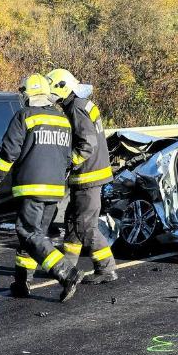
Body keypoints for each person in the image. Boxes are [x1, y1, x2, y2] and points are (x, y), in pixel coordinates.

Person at [0, 74, 83, 302]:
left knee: (28, 232)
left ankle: (66, 272)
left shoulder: (24, 116)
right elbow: (68, 156)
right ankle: (22, 283)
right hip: (55, 188)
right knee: (34, 237)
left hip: (32, 187)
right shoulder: (62, 120)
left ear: (27, 94)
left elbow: (9, 151)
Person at [46, 68, 118, 285]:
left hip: (88, 176)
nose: (51, 97)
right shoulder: (80, 104)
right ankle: (68, 267)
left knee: (86, 226)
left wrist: (68, 163)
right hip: (88, 176)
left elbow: (87, 144)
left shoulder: (75, 108)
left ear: (62, 87)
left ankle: (106, 269)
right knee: (72, 222)